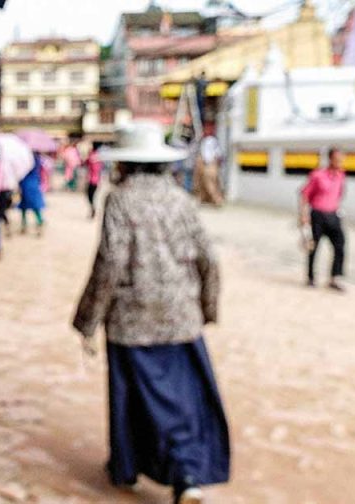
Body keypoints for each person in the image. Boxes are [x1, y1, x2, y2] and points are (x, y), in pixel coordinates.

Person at [73, 121, 229, 504]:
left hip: (132, 322)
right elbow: (209, 258)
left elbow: (109, 263)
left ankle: (126, 468)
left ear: (124, 164)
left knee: (135, 401)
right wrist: (207, 308)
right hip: (181, 319)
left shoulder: (120, 199)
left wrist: (88, 319)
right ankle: (187, 475)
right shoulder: (180, 199)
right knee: (185, 401)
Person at [300, 146, 347, 290]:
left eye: (341, 158)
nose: (340, 161)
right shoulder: (317, 175)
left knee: (340, 245)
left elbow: (339, 194)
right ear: (330, 158)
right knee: (313, 247)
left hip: (333, 215)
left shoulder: (341, 176)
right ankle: (310, 278)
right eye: (337, 158)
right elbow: (305, 195)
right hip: (317, 215)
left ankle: (334, 279)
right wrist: (303, 215)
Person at [19, 153, 47, 235]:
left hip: (26, 184)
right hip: (34, 183)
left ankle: (24, 225)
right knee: (35, 206)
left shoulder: (26, 159)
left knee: (25, 206)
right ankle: (39, 221)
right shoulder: (37, 158)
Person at [194, 135, 224, 206]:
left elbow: (218, 155)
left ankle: (217, 200)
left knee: (210, 183)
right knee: (202, 183)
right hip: (204, 164)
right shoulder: (202, 140)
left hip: (210, 164)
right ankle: (205, 199)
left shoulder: (212, 140)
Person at [86, 144, 104, 219]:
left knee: (90, 196)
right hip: (96, 180)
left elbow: (86, 163)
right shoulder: (99, 156)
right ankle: (93, 209)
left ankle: (93, 209)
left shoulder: (92, 156)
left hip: (92, 180)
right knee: (92, 196)